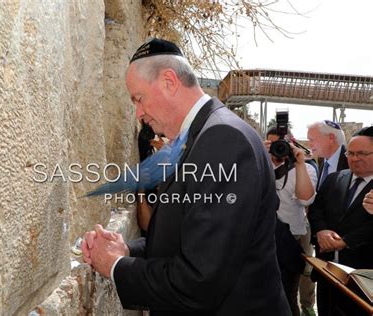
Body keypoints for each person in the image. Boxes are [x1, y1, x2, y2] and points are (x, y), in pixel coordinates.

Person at [81, 38, 290, 315]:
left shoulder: (222, 139)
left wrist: (116, 266)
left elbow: (200, 279)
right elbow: (188, 236)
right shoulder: (202, 136)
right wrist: (127, 250)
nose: (139, 114)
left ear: (169, 81)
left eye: (139, 99)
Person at [308, 126, 373, 316]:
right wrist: (321, 231)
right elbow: (316, 210)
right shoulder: (336, 178)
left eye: (361, 153)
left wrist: (346, 241)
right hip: (327, 272)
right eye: (350, 153)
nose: (354, 158)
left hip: (363, 277)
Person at [265, 127, 317, 316]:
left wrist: (300, 163)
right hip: (262, 237)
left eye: (282, 145)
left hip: (291, 238)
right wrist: (258, 154)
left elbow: (305, 200)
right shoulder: (259, 163)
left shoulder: (305, 169)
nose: (278, 149)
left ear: (291, 145)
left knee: (287, 293)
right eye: (272, 145)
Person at [307, 120, 348, 188]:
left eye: (312, 139)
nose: (309, 145)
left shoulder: (351, 162)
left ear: (331, 138)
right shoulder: (321, 159)